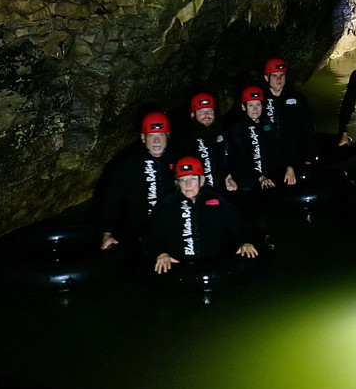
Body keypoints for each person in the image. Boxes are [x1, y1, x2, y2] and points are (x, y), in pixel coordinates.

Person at [150, 157, 259, 274]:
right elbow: (151, 235)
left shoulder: (218, 202)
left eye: (193, 178)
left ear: (201, 180)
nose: (188, 184)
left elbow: (240, 227)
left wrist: (246, 242)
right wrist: (161, 253)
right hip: (180, 269)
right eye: (183, 179)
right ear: (177, 183)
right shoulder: (167, 204)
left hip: (217, 268)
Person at [98, 111, 175, 250]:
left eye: (161, 135)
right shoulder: (127, 164)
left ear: (168, 135)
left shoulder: (178, 159)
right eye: (151, 135)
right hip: (138, 235)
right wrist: (107, 233)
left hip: (173, 230)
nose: (156, 141)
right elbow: (111, 200)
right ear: (143, 138)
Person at [229, 85, 296, 191]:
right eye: (251, 105)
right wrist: (259, 177)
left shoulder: (267, 125)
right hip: (248, 185)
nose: (255, 109)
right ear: (244, 107)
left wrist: (289, 166)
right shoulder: (238, 128)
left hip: (270, 181)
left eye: (258, 104)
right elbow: (240, 159)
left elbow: (280, 148)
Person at [173, 91, 237, 193]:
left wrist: (228, 176)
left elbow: (230, 160)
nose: (206, 115)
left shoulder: (223, 134)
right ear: (193, 115)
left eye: (210, 111)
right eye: (201, 112)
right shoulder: (185, 140)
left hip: (222, 193)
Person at [262, 57, 317, 166]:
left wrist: (309, 154)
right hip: (269, 155)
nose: (279, 79)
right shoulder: (260, 101)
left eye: (282, 75)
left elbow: (309, 127)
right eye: (274, 76)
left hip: (294, 153)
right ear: (266, 77)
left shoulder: (297, 99)